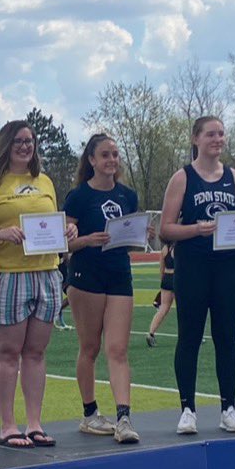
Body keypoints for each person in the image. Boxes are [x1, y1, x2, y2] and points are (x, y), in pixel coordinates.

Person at [160, 115, 235, 434]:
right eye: (211, 134)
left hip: (228, 269)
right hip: (193, 267)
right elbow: (165, 229)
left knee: (226, 338)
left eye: (221, 134)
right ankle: (187, 410)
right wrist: (195, 229)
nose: (217, 139)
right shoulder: (182, 178)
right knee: (190, 338)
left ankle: (229, 408)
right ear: (196, 138)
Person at [0, 120, 70, 449]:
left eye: (30, 141)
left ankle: (35, 423)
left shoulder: (44, 180)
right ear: (5, 145)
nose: (26, 146)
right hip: (5, 275)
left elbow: (50, 223)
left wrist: (66, 232)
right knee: (9, 353)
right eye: (19, 141)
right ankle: (8, 425)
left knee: (36, 353)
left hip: (45, 273)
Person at [64, 133, 141, 444]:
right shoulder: (78, 197)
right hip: (86, 275)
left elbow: (130, 238)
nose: (112, 160)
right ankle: (89, 412)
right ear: (92, 160)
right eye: (105, 155)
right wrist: (87, 240)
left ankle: (124, 418)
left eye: (115, 154)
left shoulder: (128, 195)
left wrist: (139, 235)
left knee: (119, 349)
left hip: (119, 274)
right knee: (91, 347)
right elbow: (63, 242)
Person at [146, 241, 175, 347]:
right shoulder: (180, 247)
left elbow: (161, 268)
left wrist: (163, 282)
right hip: (177, 278)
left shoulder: (164, 249)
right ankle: (191, 336)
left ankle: (151, 334)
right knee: (184, 310)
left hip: (166, 279)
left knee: (163, 309)